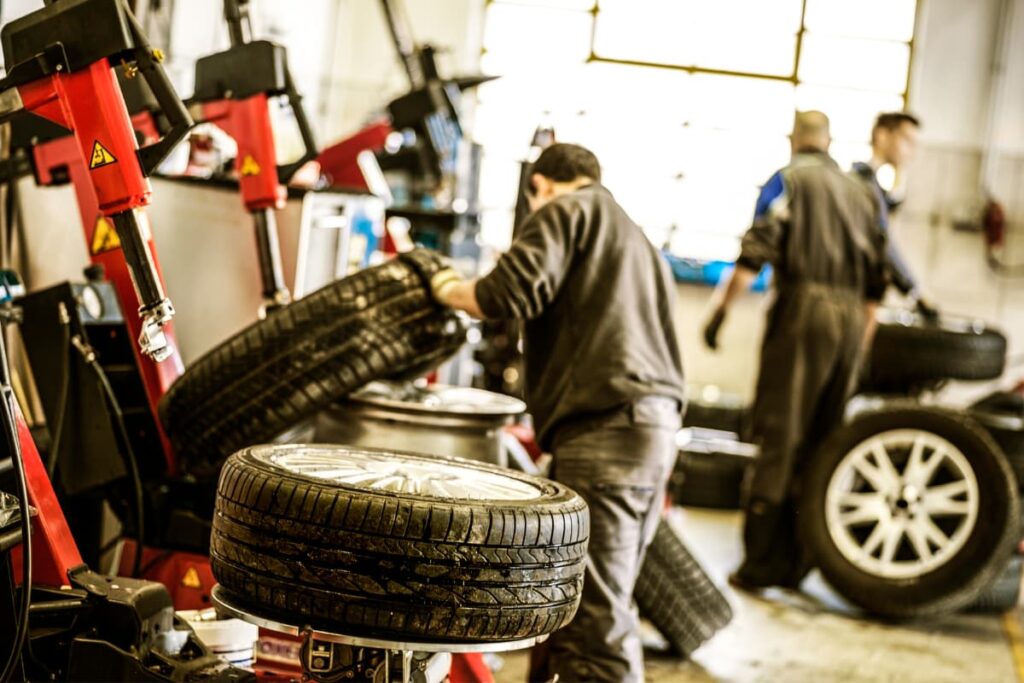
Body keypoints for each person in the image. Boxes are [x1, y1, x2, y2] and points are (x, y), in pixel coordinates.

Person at [428, 142, 685, 683]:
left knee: (593, 620)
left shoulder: (567, 210)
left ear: (540, 187)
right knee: (584, 602)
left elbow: (506, 292)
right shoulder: (636, 238)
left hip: (606, 433)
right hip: (652, 432)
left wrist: (447, 288)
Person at [702, 111, 888, 590]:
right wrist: (860, 345)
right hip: (850, 320)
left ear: (794, 140)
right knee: (825, 437)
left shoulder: (787, 180)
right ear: (828, 140)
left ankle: (761, 564)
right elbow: (877, 280)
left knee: (778, 433)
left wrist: (719, 312)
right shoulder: (863, 193)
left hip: (804, 309)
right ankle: (801, 564)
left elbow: (755, 252)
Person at [851, 111, 935, 315]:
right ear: (882, 136)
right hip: (852, 295)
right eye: (906, 140)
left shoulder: (872, 185)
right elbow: (883, 243)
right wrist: (913, 291)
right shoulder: (864, 185)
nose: (911, 152)